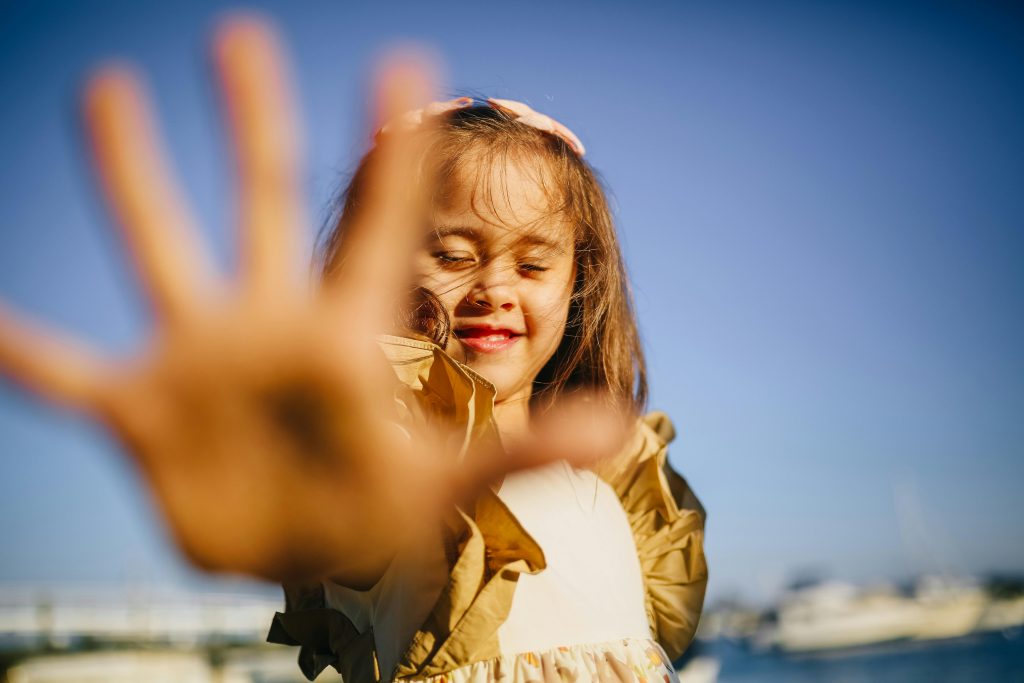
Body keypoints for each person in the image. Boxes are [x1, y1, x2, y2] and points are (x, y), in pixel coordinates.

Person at [0, 16, 707, 683]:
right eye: (453, 254)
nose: (494, 288)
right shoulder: (380, 462)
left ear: (581, 282)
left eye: (532, 264)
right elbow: (355, 529)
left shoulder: (620, 483)